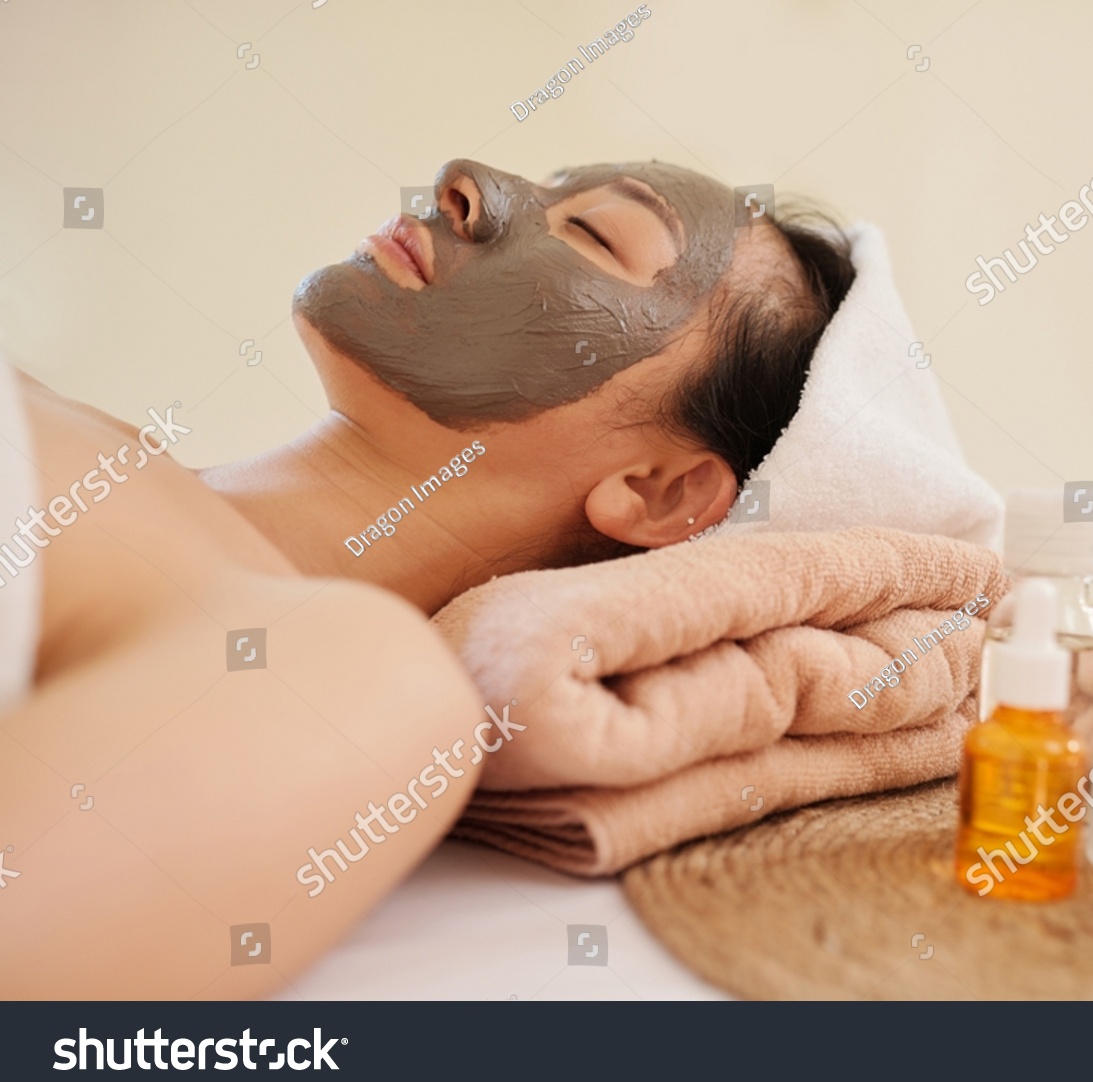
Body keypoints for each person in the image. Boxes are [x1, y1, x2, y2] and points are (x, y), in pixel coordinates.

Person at [0, 158, 854, 998]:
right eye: (553, 185)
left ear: (657, 492)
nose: (468, 178)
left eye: (594, 234)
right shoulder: (88, 438)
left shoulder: (348, 674)